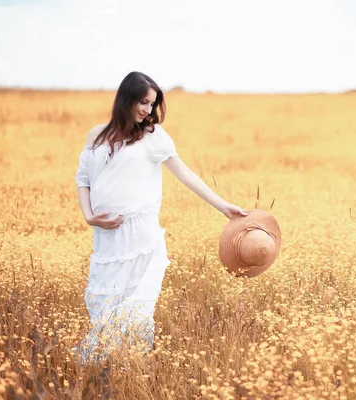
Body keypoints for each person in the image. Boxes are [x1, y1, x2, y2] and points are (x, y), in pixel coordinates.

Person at [73, 71, 248, 363]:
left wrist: (224, 206)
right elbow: (83, 181)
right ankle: (104, 369)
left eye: (151, 104)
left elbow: (184, 173)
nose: (147, 110)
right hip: (106, 237)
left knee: (136, 307)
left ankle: (130, 366)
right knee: (104, 305)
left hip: (140, 234)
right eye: (142, 102)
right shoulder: (97, 134)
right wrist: (90, 217)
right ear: (125, 98)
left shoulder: (152, 135)